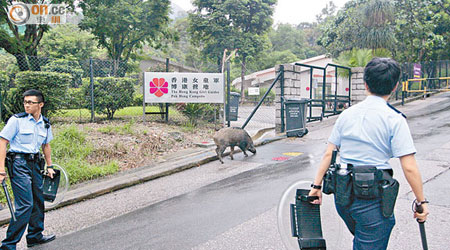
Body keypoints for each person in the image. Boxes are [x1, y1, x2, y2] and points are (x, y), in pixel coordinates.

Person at [308, 58, 429, 250]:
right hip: (372, 199)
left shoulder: (346, 114)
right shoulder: (394, 119)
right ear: (395, 86)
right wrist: (421, 202)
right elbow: (409, 167)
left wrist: (316, 186)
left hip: (343, 197)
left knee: (364, 239)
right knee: (371, 237)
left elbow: (328, 154)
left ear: (365, 84)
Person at [0, 89, 56, 249]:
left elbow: (46, 145)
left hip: (35, 164)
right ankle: (8, 244)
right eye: (25, 102)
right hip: (18, 164)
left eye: (30, 102)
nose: (26, 105)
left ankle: (35, 236)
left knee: (38, 201)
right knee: (25, 204)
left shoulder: (45, 123)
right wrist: (1, 169)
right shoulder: (17, 120)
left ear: (41, 104)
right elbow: (2, 142)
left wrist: (50, 165)